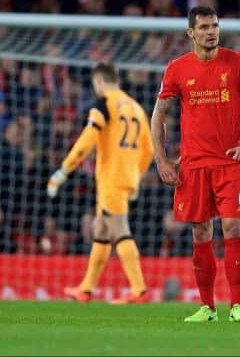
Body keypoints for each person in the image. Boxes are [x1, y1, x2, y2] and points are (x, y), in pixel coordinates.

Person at [151, 6, 240, 323]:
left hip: (228, 163)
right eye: (204, 26)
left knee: (233, 226)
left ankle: (236, 305)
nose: (211, 31)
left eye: (215, 25)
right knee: (201, 232)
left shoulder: (238, 63)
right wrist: (161, 159)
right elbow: (159, 115)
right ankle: (207, 308)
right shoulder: (177, 69)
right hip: (193, 166)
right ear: (191, 33)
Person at [46, 62, 153, 304]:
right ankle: (86, 289)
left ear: (99, 82)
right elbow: (149, 150)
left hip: (111, 179)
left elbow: (87, 140)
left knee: (119, 229)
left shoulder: (103, 104)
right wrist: (135, 175)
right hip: (125, 177)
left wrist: (64, 170)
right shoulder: (136, 108)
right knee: (101, 230)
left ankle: (139, 290)